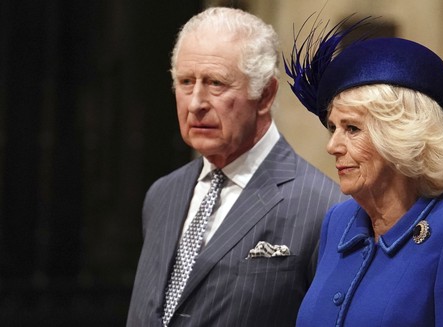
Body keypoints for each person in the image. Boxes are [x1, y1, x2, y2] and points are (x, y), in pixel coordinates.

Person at [285, 16, 443, 327]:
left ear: (400, 137)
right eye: (332, 128)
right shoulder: (338, 223)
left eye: (352, 128)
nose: (333, 146)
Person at [126, 7, 346, 327]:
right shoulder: (162, 194)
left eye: (216, 83)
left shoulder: (326, 207)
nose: (196, 102)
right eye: (186, 82)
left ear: (266, 94)